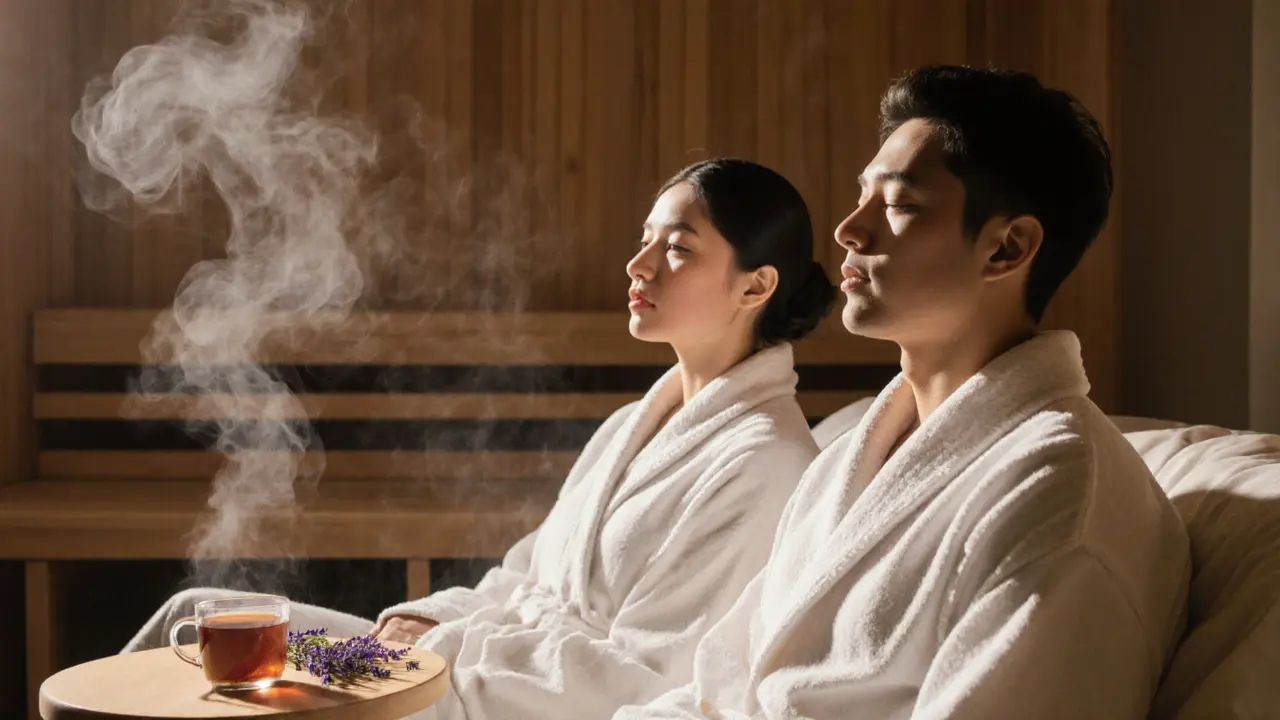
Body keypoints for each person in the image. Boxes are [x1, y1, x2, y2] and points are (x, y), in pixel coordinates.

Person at [125, 158, 838, 719]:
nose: (639, 265)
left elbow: (644, 678)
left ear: (756, 287)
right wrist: (421, 619)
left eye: (677, 249)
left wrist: (435, 649)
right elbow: (525, 576)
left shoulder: (764, 464)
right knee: (193, 620)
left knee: (230, 672)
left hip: (490, 696)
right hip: (448, 662)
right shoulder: (635, 425)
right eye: (644, 240)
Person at [616, 65, 1192, 720]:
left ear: (1007, 247)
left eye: (897, 205)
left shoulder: (1059, 496)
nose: (849, 231)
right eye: (863, 198)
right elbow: (720, 684)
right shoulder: (849, 461)